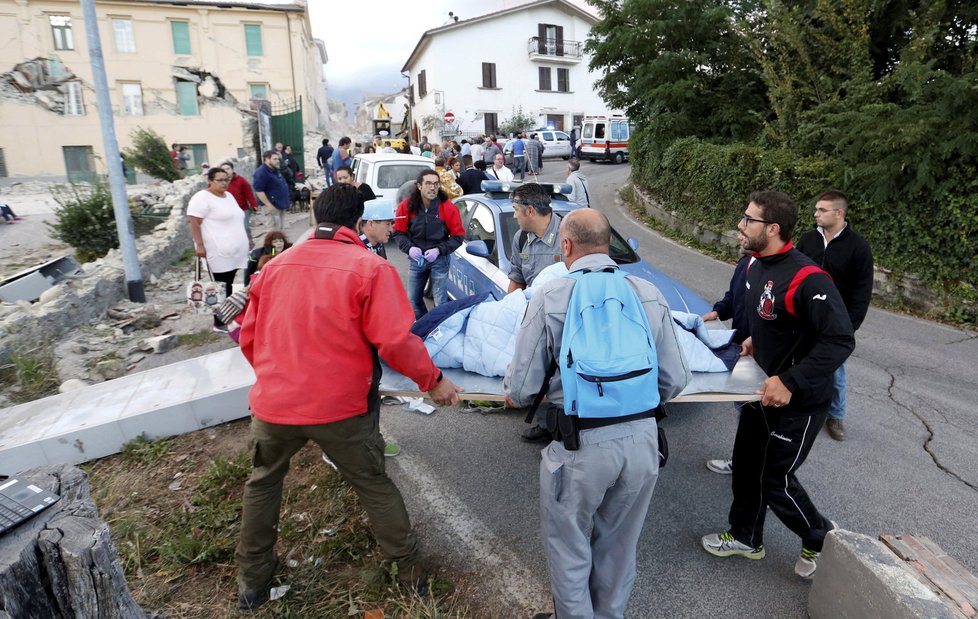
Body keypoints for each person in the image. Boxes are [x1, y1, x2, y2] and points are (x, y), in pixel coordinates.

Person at [233, 182, 461, 612]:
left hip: (274, 406)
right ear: (358, 222)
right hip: (341, 408)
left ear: (316, 217)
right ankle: (410, 575)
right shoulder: (368, 268)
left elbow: (249, 337)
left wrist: (276, 375)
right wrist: (432, 381)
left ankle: (252, 583)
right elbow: (395, 341)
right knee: (374, 485)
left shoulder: (275, 267)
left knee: (262, 485)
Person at [503, 209, 691, 619]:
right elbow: (675, 378)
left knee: (569, 548)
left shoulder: (550, 296)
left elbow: (520, 388)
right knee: (620, 546)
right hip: (643, 442)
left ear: (566, 246)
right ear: (608, 245)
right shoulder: (646, 292)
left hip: (579, 444)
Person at [701, 191, 854, 580]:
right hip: (761, 390)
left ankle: (822, 538)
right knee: (747, 469)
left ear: (772, 228)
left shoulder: (809, 278)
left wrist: (791, 379)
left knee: (776, 481)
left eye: (748, 220)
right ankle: (746, 537)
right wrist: (754, 341)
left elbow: (839, 340)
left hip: (800, 400)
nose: (740, 225)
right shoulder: (754, 265)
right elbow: (767, 318)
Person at [796, 190, 874, 442]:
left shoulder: (858, 247)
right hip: (803, 317)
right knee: (799, 361)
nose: (815, 214)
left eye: (822, 210)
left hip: (835, 323)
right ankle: (799, 407)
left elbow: (861, 291)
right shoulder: (808, 240)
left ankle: (835, 415)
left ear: (838, 213)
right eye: (816, 209)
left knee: (835, 370)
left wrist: (848, 326)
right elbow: (794, 273)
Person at [505, 183, 565, 443]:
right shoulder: (520, 239)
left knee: (564, 374)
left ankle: (568, 422)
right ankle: (546, 422)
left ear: (530, 210)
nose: (514, 215)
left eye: (516, 210)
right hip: (536, 318)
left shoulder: (568, 234)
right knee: (538, 370)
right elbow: (517, 280)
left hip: (566, 319)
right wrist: (508, 312)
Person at [702, 250, 751, 475]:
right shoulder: (745, 263)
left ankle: (759, 475)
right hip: (742, 351)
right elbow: (734, 297)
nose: (740, 232)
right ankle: (744, 462)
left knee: (758, 416)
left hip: (763, 357)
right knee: (745, 411)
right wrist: (718, 311)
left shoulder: (778, 271)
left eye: (748, 223)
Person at [392, 169, 465, 319]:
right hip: (416, 259)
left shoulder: (448, 208)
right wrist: (410, 248)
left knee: (440, 303)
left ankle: (440, 331)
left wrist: (439, 250)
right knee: (413, 301)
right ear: (419, 186)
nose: (433, 187)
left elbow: (458, 236)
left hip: (439, 260)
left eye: (436, 184)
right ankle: (426, 326)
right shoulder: (406, 206)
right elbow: (398, 232)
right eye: (429, 183)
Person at [187, 167, 250, 332]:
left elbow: (237, 218)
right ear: (210, 181)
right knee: (219, 287)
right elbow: (194, 221)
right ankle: (219, 322)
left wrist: (247, 238)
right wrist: (199, 245)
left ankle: (228, 316)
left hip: (234, 251)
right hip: (217, 250)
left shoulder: (228, 196)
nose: (225, 183)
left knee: (228, 285)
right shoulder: (202, 198)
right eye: (220, 180)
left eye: (227, 179)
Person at [253, 150, 291, 230]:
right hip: (272, 206)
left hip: (280, 204)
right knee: (273, 232)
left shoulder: (274, 170)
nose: (277, 161)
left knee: (281, 231)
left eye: (278, 159)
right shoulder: (261, 172)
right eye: (274, 159)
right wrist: (268, 204)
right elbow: (259, 190)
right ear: (267, 159)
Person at [221, 162, 258, 244]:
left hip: (242, 209)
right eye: (223, 169)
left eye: (228, 169)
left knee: (245, 227)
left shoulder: (240, 180)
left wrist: (254, 205)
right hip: (226, 211)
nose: (226, 171)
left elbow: (248, 193)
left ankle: (249, 245)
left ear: (232, 170)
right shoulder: (219, 182)